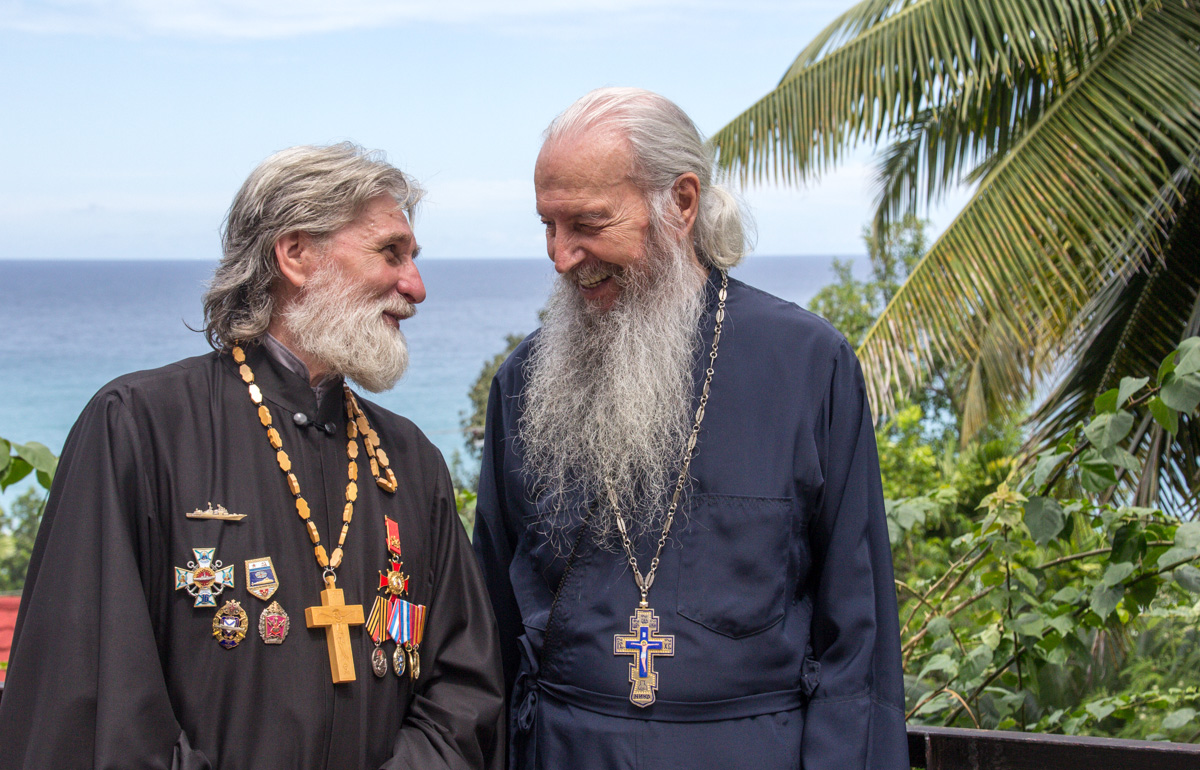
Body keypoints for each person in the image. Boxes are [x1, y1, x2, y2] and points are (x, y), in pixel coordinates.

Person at [0, 143, 505, 770]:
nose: (415, 287)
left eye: (413, 258)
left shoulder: (410, 460)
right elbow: (96, 696)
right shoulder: (136, 426)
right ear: (295, 255)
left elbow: (465, 686)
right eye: (390, 253)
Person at [472, 88, 908, 770]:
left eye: (588, 223)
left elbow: (858, 632)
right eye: (548, 226)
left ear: (680, 202)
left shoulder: (807, 365)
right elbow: (492, 623)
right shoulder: (524, 380)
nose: (561, 255)